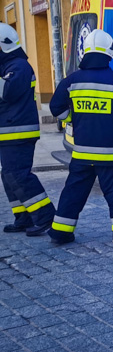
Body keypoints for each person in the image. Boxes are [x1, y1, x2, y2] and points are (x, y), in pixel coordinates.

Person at [48, 29, 113, 244]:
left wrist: (73, 118)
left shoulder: (71, 80)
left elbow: (56, 108)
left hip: (82, 152)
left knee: (74, 191)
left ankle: (60, 231)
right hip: (111, 153)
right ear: (110, 52)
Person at [0, 23, 56, 236]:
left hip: (18, 131)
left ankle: (45, 216)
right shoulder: (8, 66)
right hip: (9, 130)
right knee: (9, 176)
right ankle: (22, 217)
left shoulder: (19, 66)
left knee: (18, 174)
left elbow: (8, 92)